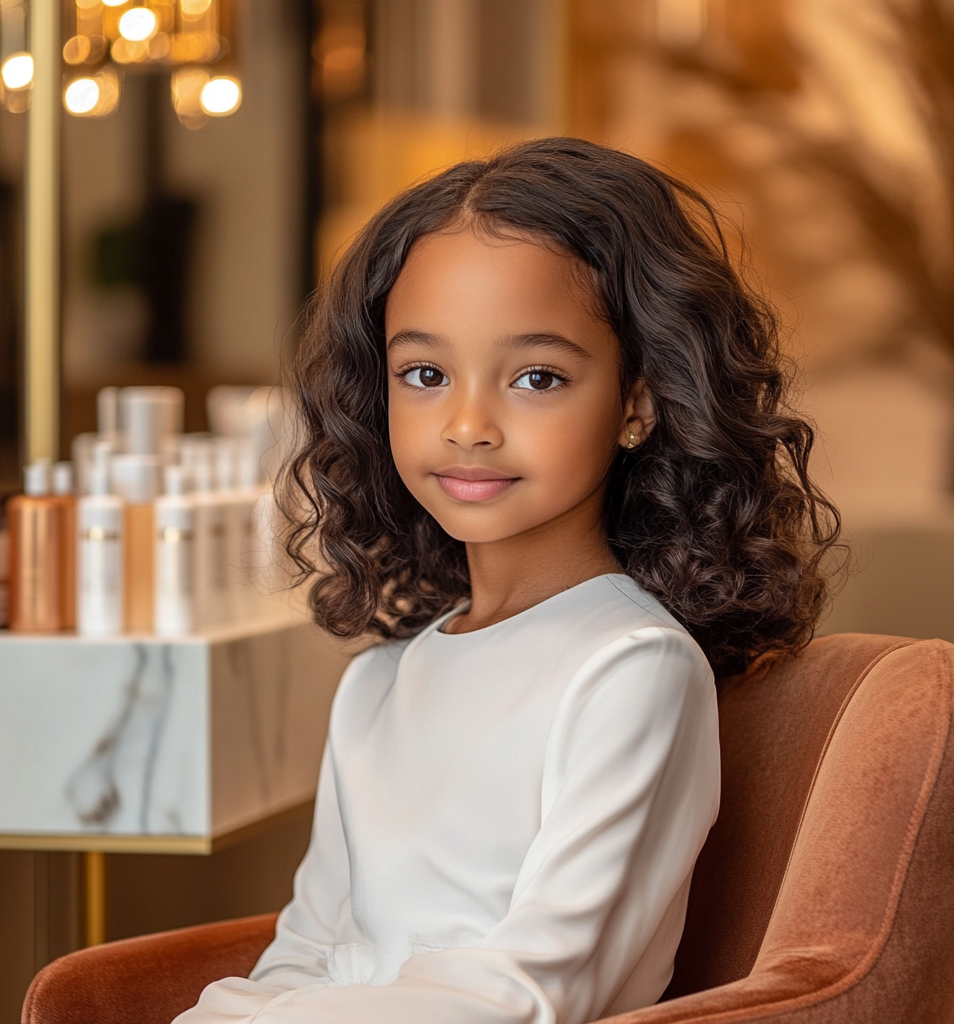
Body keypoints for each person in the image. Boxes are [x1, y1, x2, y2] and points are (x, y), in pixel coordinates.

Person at [175, 138, 840, 1024]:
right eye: (425, 373)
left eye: (536, 377)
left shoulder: (631, 670)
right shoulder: (378, 684)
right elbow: (307, 952)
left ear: (638, 402)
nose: (468, 424)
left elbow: (531, 994)